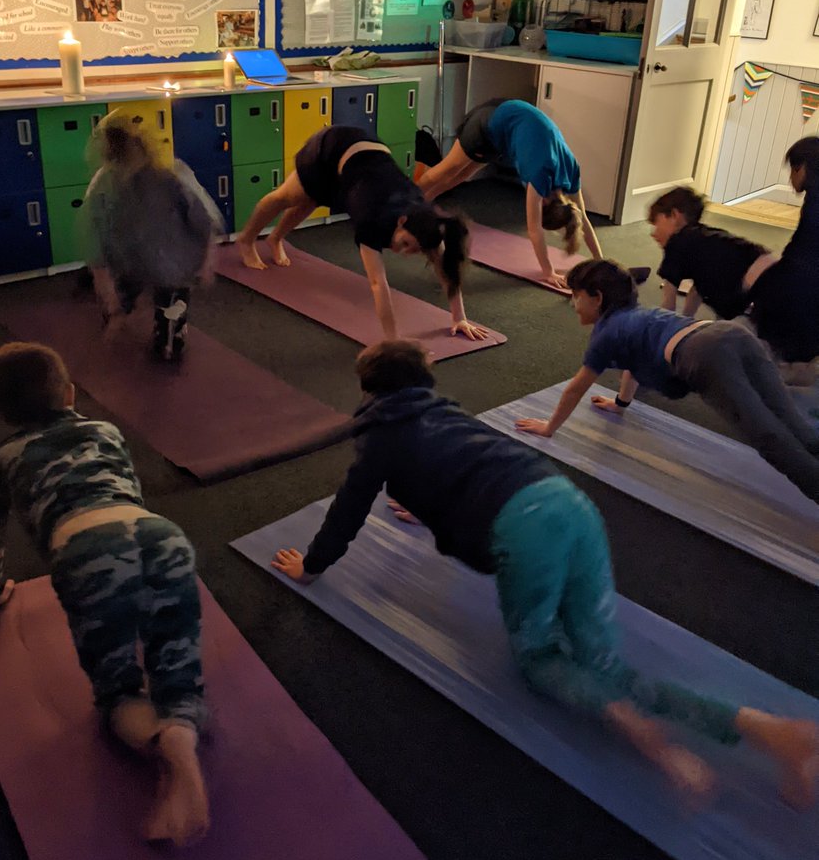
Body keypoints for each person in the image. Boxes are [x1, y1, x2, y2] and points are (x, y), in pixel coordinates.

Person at [272, 339, 818, 805]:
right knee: (607, 663)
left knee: (539, 660)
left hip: (524, 533)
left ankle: (639, 730)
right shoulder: (445, 412)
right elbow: (467, 462)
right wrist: (428, 499)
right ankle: (769, 730)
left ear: (369, 392)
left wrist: (312, 566)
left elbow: (348, 507)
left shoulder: (378, 438)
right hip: (568, 503)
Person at [0, 342, 210, 846]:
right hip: (159, 534)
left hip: (84, 553)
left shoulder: (1, 458)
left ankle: (164, 748)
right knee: (178, 669)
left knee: (118, 692)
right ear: (71, 393)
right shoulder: (105, 430)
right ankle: (183, 736)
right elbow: (129, 495)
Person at [515, 259, 819, 504]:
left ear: (597, 298)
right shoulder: (634, 315)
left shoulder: (605, 335)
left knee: (768, 435)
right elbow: (633, 363)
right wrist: (620, 405)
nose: (572, 304)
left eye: (576, 296)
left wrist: (549, 427)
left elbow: (577, 386)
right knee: (791, 420)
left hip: (705, 354)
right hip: (732, 334)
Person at [236, 124, 487, 342]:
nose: (407, 252)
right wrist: (393, 338)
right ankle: (246, 240)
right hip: (334, 146)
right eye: (407, 243)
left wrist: (460, 318)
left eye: (415, 250)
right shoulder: (372, 221)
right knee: (288, 197)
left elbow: (447, 268)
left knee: (311, 199)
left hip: (365, 165)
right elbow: (378, 284)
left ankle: (275, 238)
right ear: (401, 222)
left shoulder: (426, 223)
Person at [418, 98, 606, 289]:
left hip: (505, 132)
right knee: (445, 172)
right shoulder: (540, 175)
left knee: (458, 178)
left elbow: (583, 220)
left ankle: (421, 205)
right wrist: (548, 271)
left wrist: (601, 262)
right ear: (545, 205)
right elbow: (534, 230)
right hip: (490, 120)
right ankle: (408, 202)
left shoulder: (571, 170)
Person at [82, 114, 222, 361]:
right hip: (129, 259)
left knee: (169, 332)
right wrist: (108, 293)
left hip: (171, 259)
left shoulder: (172, 176)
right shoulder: (106, 184)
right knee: (119, 312)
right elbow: (95, 238)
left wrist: (206, 261)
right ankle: (122, 318)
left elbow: (204, 220)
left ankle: (167, 339)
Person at [648, 185, 776, 319]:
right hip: (768, 264)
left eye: (656, 223)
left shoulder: (676, 243)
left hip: (756, 279)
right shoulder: (703, 239)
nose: (653, 233)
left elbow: (668, 305)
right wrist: (687, 319)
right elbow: (698, 289)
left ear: (674, 215)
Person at [749, 136, 819, 368]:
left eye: (792, 169)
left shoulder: (815, 204)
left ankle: (785, 362)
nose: (790, 178)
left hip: (807, 281)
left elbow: (802, 252)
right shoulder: (814, 197)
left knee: (767, 289)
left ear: (803, 168)